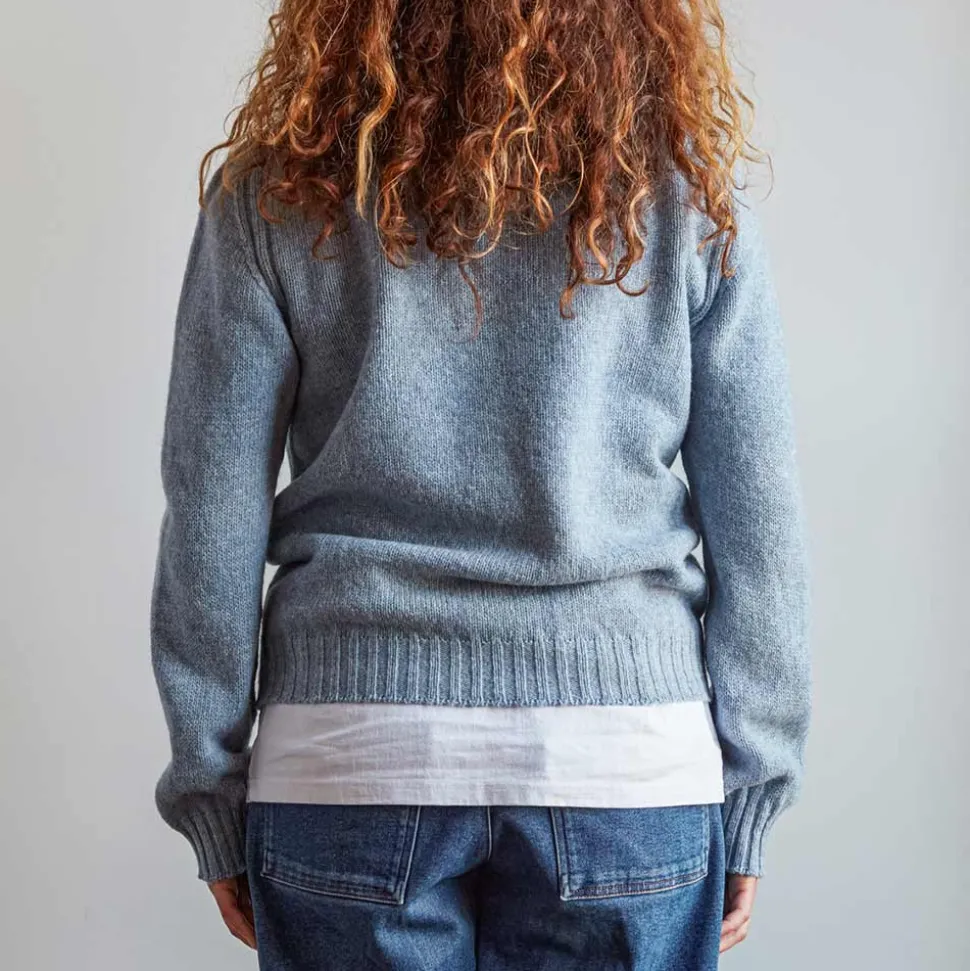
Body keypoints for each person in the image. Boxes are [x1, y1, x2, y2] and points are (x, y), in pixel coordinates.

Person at [149, 1, 812, 968]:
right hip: (626, 765)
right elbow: (761, 522)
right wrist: (754, 783)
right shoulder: (687, 194)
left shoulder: (274, 196)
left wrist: (211, 786)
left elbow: (209, 517)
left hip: (349, 754)